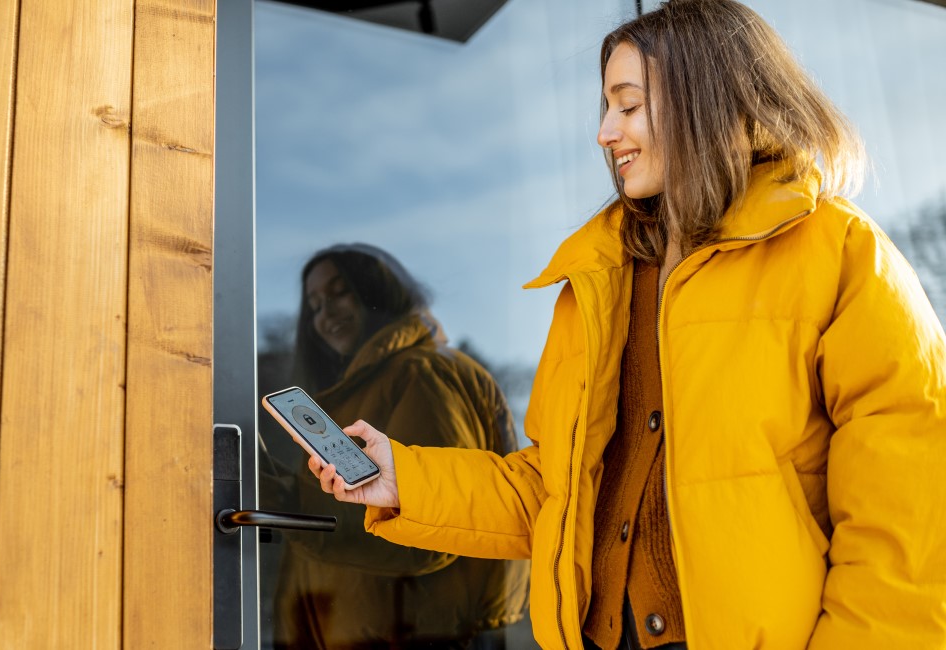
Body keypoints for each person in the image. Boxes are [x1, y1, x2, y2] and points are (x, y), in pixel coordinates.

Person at [302, 2, 946, 649]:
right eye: (605, 108)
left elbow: (908, 528)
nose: (607, 132)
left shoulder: (842, 257)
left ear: (707, 100)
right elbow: (555, 494)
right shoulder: (599, 280)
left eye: (628, 105)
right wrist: (402, 479)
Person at [267, 243, 531, 649]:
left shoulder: (423, 374)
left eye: (340, 292)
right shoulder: (365, 382)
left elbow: (434, 529)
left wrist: (295, 515)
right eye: (315, 305)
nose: (326, 314)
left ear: (377, 291)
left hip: (416, 635)